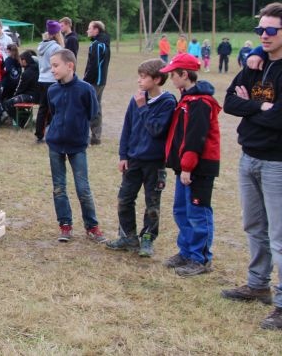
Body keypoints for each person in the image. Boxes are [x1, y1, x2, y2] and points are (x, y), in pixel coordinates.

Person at [221, 2, 282, 331]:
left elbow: (279, 119)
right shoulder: (255, 64)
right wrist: (259, 106)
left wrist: (250, 107)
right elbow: (230, 102)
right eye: (260, 30)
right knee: (254, 226)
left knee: (279, 235)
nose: (264, 35)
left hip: (277, 163)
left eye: (271, 30)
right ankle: (258, 284)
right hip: (249, 157)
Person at [105, 59, 176, 257]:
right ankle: (128, 237)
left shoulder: (168, 102)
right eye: (139, 76)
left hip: (154, 162)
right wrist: (123, 155)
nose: (139, 81)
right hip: (133, 160)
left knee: (152, 202)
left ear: (157, 79)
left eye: (143, 77)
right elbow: (127, 128)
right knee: (125, 199)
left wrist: (143, 107)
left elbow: (156, 130)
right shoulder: (136, 99)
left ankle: (147, 238)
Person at [160, 53, 221, 277]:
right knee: (182, 210)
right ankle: (186, 252)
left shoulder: (200, 103)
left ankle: (200, 258)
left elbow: (195, 138)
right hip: (184, 168)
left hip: (198, 168)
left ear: (185, 74)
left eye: (173, 75)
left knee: (198, 213)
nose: (171, 79)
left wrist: (187, 166)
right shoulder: (186, 99)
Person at [45, 48, 105, 243]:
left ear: (69, 66)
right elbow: (53, 112)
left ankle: (92, 226)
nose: (52, 69)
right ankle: (65, 225)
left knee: (83, 188)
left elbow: (92, 112)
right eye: (51, 66)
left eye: (56, 65)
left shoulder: (85, 89)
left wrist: (78, 130)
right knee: (59, 188)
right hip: (55, 144)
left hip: (77, 146)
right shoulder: (52, 90)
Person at [35, 20, 64, 143]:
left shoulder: (41, 45)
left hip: (42, 78)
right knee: (53, 109)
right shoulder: (56, 47)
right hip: (52, 80)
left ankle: (39, 133)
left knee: (43, 108)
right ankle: (50, 132)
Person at [83, 20, 111, 145]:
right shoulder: (104, 43)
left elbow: (94, 66)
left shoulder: (97, 45)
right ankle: (96, 137)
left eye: (89, 28)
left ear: (96, 30)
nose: (87, 30)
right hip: (101, 80)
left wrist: (85, 80)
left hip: (95, 81)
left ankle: (85, 136)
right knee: (97, 107)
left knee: (88, 107)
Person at [3, 50, 39, 127]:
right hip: (37, 96)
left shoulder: (26, 73)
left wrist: (14, 96)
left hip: (30, 96)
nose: (20, 62)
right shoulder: (37, 69)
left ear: (24, 61)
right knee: (13, 101)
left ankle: (22, 121)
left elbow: (21, 88)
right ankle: (25, 118)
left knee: (7, 103)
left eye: (20, 60)